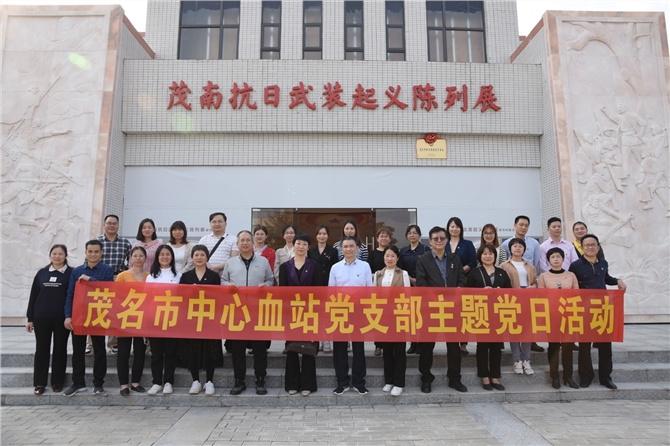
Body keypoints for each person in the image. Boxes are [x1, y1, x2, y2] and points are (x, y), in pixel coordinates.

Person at [569, 234, 627, 390]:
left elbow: (605, 278)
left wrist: (617, 281)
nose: (590, 247)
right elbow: (572, 285)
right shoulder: (575, 266)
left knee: (605, 345)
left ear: (598, 247)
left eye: (593, 244)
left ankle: (605, 377)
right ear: (582, 248)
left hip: (602, 309)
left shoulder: (603, 263)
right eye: (586, 245)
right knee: (584, 346)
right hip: (584, 310)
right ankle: (586, 377)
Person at [221, 230, 274, 395]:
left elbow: (270, 279)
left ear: (252, 243)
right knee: (238, 349)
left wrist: (266, 286)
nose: (245, 243)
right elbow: (223, 280)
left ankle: (260, 380)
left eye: (247, 240)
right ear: (237, 244)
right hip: (237, 312)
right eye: (242, 240)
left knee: (259, 349)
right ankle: (239, 381)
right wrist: (227, 286)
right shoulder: (230, 263)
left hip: (258, 312)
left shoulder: (263, 261)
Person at [415, 226, 467, 393]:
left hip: (452, 308)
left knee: (453, 346)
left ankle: (454, 378)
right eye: (435, 238)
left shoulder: (454, 259)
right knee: (427, 346)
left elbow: (461, 279)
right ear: (430, 241)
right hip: (431, 309)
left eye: (442, 238)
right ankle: (426, 378)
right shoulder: (423, 259)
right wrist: (436, 299)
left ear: (447, 240)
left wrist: (458, 290)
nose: (439, 241)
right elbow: (421, 284)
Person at [63, 240, 114, 397]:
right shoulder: (77, 271)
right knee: (78, 351)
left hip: (98, 315)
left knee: (99, 350)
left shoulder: (107, 270)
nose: (93, 254)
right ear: (85, 252)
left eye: (96, 251)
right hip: (79, 315)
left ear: (101, 253)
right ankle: (78, 383)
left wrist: (90, 280)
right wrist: (68, 316)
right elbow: (70, 295)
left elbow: (109, 291)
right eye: (90, 251)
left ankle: (98, 384)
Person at [279, 233, 323, 396]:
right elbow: (283, 292)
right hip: (291, 313)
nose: (301, 246)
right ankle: (292, 384)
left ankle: (307, 385)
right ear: (294, 244)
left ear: (308, 247)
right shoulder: (285, 267)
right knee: (291, 348)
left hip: (310, 312)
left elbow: (318, 290)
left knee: (308, 349)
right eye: (298, 243)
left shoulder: (315, 265)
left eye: (304, 244)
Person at [329, 235, 373, 396]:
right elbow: (331, 291)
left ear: (357, 248)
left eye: (351, 246)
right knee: (339, 348)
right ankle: (342, 382)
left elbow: (369, 290)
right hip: (340, 311)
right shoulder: (335, 268)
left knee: (358, 347)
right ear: (341, 249)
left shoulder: (365, 266)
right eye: (345, 246)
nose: (348, 249)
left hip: (359, 311)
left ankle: (359, 382)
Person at [26, 244, 72, 395]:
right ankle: (40, 383)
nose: (57, 256)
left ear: (65, 256)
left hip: (62, 318)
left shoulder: (71, 273)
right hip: (41, 317)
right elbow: (34, 296)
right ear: (50, 255)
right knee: (41, 350)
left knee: (60, 349)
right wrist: (30, 318)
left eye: (60, 254)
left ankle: (57, 382)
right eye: (54, 253)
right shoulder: (42, 273)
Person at [465, 244, 511, 391]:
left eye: (491, 254)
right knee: (483, 346)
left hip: (498, 314)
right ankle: (484, 376)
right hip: (481, 314)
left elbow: (510, 293)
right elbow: (467, 294)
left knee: (497, 347)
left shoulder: (502, 273)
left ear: (495, 256)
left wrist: (501, 292)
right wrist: (481, 292)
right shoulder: (474, 273)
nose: (488, 256)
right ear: (480, 256)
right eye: (484, 254)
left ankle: (495, 377)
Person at [179, 245, 224, 396]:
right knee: (192, 348)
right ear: (192, 258)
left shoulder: (214, 276)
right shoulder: (186, 276)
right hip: (192, 318)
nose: (199, 258)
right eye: (196, 255)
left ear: (207, 257)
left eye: (202, 255)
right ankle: (196, 380)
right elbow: (181, 298)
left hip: (209, 317)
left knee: (210, 348)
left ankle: (209, 381)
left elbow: (219, 297)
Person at [538, 247, 580, 390]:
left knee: (568, 346)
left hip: (568, 314)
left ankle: (568, 376)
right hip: (552, 315)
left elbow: (577, 294)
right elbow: (541, 296)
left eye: (558, 256)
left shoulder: (571, 275)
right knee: (554, 346)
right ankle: (554, 376)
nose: (555, 259)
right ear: (548, 260)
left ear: (563, 259)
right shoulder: (544, 276)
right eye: (552, 257)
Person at [501, 215, 544, 353]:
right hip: (513, 289)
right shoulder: (505, 244)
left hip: (528, 287)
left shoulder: (534, 244)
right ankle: (516, 353)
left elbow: (536, 264)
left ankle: (531, 344)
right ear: (515, 225)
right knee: (514, 321)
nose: (523, 227)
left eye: (526, 225)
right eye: (521, 224)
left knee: (528, 320)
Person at [146, 245, 182, 396]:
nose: (165, 257)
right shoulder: (150, 277)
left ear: (172, 257)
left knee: (170, 352)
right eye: (162, 254)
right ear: (157, 257)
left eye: (168, 254)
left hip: (173, 319)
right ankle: (156, 382)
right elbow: (147, 298)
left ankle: (168, 382)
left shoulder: (179, 276)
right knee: (156, 353)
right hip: (156, 319)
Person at [374, 245, 409, 397]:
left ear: (397, 258)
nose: (389, 259)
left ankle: (399, 383)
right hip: (383, 317)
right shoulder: (377, 274)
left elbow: (408, 296)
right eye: (387, 256)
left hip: (399, 315)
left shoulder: (404, 274)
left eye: (392, 256)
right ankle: (389, 380)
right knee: (387, 350)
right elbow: (374, 296)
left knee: (399, 350)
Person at [500, 237, 537, 376]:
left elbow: (535, 282)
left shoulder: (530, 266)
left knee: (527, 331)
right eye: (515, 246)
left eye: (520, 246)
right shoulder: (504, 265)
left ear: (524, 249)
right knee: (514, 331)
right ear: (510, 249)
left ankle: (526, 359)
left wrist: (533, 287)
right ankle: (517, 360)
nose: (517, 248)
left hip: (527, 300)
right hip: (512, 301)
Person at [114, 246, 149, 396]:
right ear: (130, 258)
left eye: (141, 256)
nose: (138, 258)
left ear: (145, 258)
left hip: (143, 318)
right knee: (123, 352)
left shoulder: (150, 276)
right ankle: (123, 384)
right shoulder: (122, 276)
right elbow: (116, 296)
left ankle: (135, 382)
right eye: (135, 255)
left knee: (140, 351)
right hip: (125, 317)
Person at [96, 214, 132, 355]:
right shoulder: (97, 241)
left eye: (114, 223)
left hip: (118, 278)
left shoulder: (125, 243)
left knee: (115, 311)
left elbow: (130, 263)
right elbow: (89, 260)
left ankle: (113, 343)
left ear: (118, 225)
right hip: (99, 279)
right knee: (97, 310)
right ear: (104, 225)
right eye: (109, 223)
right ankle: (91, 343)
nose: (112, 225)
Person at [446, 217, 477, 357]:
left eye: (457, 226)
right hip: (447, 283)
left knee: (464, 313)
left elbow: (473, 262)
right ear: (448, 228)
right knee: (450, 313)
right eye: (452, 226)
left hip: (464, 281)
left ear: (461, 228)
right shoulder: (444, 243)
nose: (454, 229)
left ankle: (463, 344)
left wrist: (459, 271)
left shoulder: (467, 244)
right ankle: (451, 341)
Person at [307, 224, 338, 354]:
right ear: (316, 236)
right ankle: (318, 339)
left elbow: (335, 269)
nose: (322, 236)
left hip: (328, 285)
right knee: (316, 314)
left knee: (327, 314)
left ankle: (327, 340)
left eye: (324, 234)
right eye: (319, 234)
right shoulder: (311, 251)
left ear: (328, 236)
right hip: (315, 285)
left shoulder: (333, 251)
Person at [367, 227, 396, 356]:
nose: (384, 238)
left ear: (390, 239)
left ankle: (390, 343)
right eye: (381, 236)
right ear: (377, 239)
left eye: (386, 236)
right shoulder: (373, 254)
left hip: (392, 290)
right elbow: (368, 271)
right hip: (377, 288)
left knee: (391, 318)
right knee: (378, 318)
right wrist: (378, 275)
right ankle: (378, 345)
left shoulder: (394, 252)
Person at [399, 224, 428, 355]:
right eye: (410, 233)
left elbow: (428, 267)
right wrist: (410, 279)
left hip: (422, 286)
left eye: (415, 233)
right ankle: (413, 343)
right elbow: (400, 268)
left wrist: (419, 280)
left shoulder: (425, 249)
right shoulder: (403, 251)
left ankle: (422, 343)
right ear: (407, 235)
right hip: (408, 285)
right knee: (411, 316)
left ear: (419, 235)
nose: (412, 235)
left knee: (421, 315)